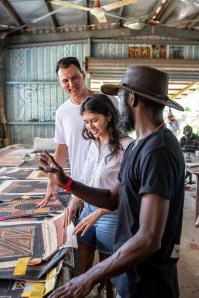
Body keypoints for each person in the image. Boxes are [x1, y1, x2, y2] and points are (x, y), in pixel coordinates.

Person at [40, 65, 185, 298]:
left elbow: (149, 239)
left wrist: (88, 277)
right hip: (129, 273)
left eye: (121, 95)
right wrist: (67, 183)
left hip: (148, 284)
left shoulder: (159, 151)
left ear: (133, 99)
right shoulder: (139, 145)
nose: (118, 103)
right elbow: (112, 198)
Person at [38, 57, 117, 222]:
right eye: (65, 81)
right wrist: (51, 181)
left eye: (75, 78)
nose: (71, 84)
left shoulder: (107, 102)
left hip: (107, 183)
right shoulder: (62, 112)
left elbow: (121, 137)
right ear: (59, 82)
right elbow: (62, 148)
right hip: (78, 185)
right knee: (80, 237)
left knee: (105, 236)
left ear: (83, 75)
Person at [72, 94, 132, 298]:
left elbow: (126, 195)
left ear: (109, 116)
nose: (90, 127)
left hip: (110, 215)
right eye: (86, 122)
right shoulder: (91, 143)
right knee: (81, 266)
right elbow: (85, 178)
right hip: (87, 210)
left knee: (108, 272)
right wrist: (76, 200)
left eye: (94, 120)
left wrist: (99, 213)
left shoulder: (127, 146)